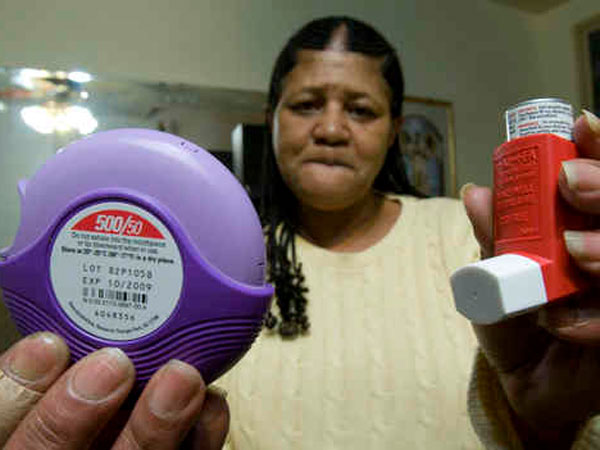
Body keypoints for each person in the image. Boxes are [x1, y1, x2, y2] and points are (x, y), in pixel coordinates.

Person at [1, 14, 600, 449]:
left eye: (361, 110)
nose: (331, 129)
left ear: (394, 131)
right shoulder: (211, 265)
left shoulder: (473, 239)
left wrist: (551, 419)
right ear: (273, 120)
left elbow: (547, 419)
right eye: (307, 104)